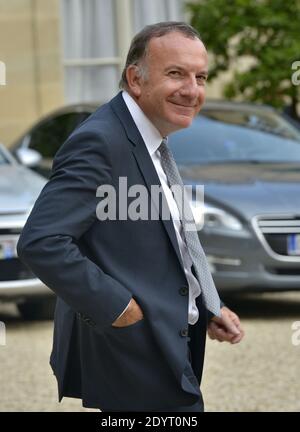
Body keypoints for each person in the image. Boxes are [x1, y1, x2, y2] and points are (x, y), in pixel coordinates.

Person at [17, 21, 244, 412]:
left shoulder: (151, 139)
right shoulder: (100, 140)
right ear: (135, 80)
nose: (192, 90)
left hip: (170, 339)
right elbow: (42, 242)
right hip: (132, 350)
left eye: (200, 77)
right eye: (176, 74)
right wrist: (120, 309)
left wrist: (205, 302)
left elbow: (168, 240)